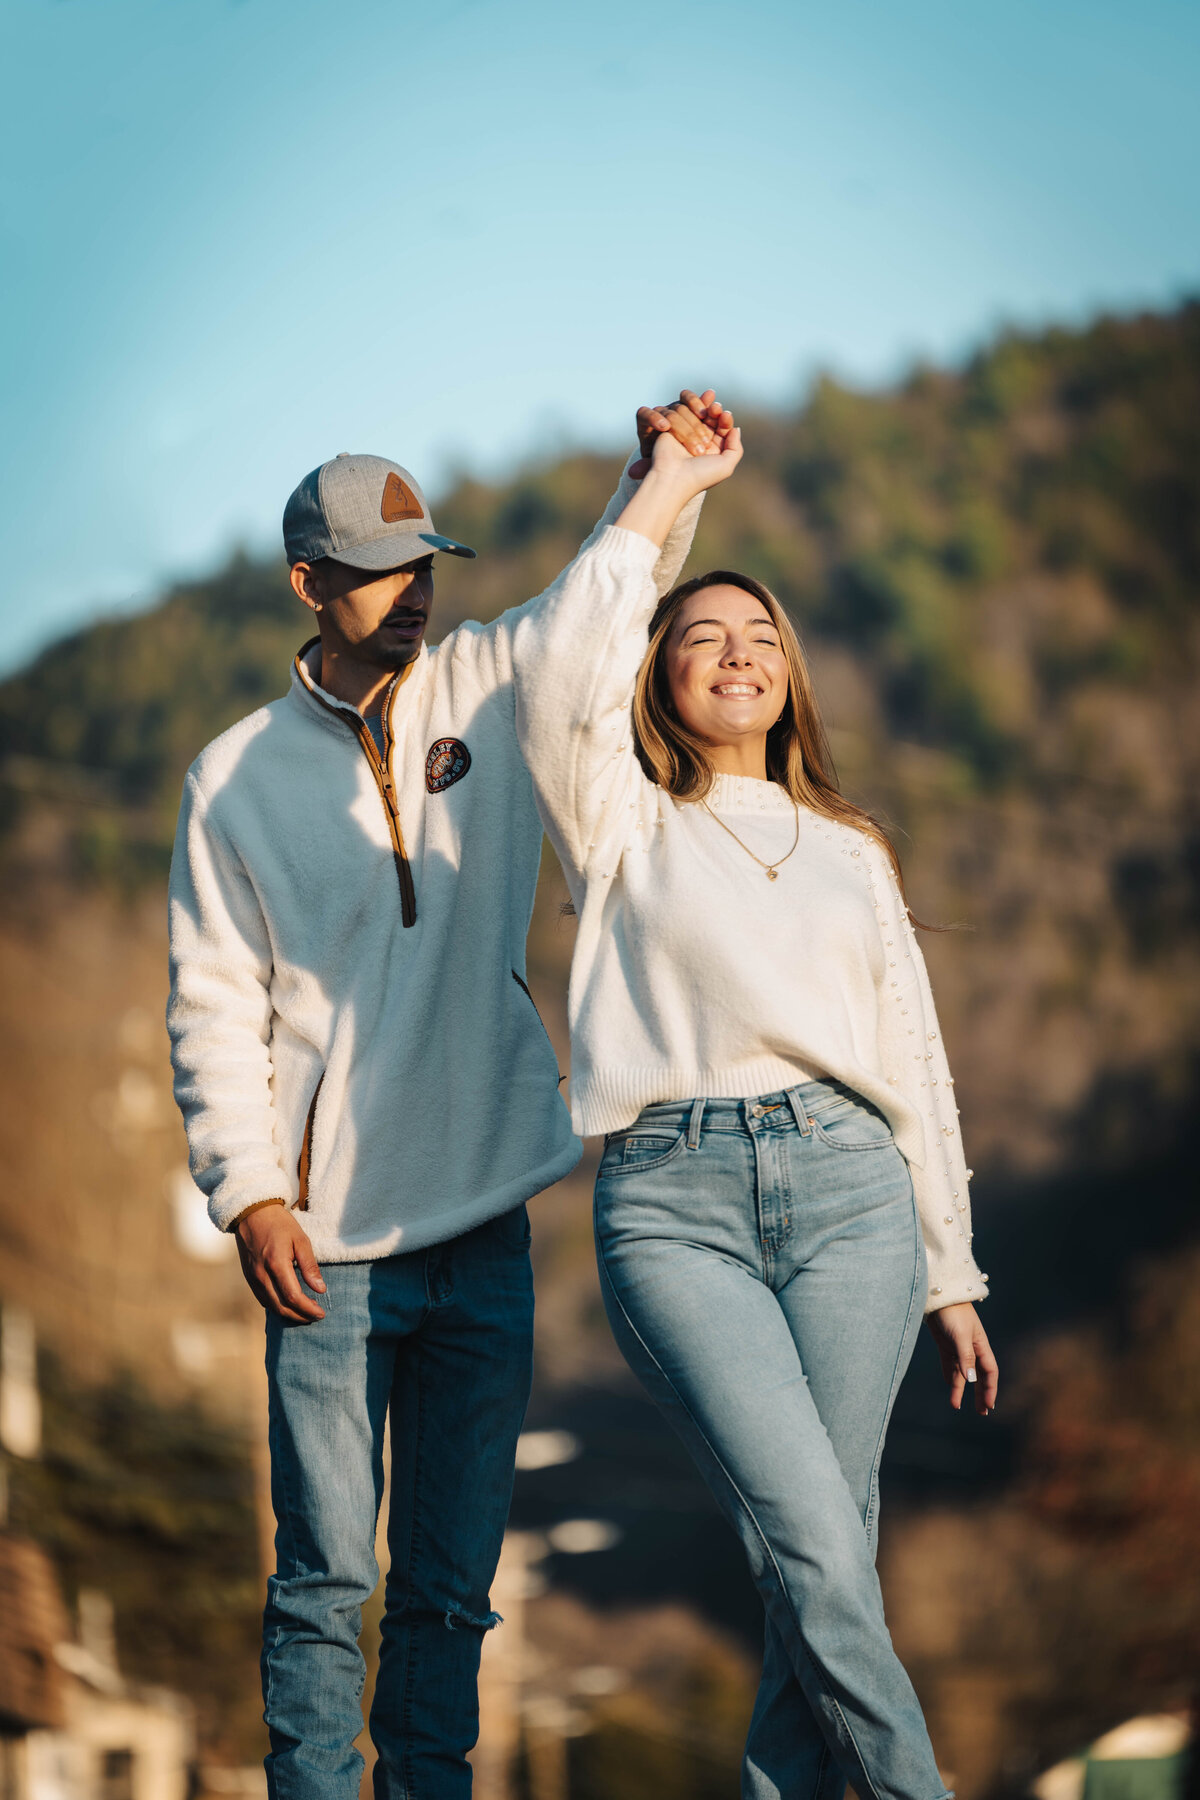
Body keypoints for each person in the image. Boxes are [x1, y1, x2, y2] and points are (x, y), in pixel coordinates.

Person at [164, 393, 729, 1800]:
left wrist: (664, 481)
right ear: (310, 585)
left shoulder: (489, 679)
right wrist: (250, 1197)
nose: (413, 594)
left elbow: (603, 609)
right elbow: (214, 1004)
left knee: (450, 1590)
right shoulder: (229, 780)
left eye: (425, 565)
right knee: (323, 1580)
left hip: (484, 1227)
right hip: (331, 1250)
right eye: (378, 572)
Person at [512, 416, 999, 1800]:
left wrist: (949, 1269)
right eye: (700, 636)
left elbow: (916, 1067)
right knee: (821, 1547)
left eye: (762, 639)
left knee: (817, 1553)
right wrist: (667, 492)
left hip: (855, 1197)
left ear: (793, 680)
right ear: (657, 677)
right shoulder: (616, 820)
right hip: (676, 1205)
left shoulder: (851, 852)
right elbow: (559, 673)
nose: (736, 653)